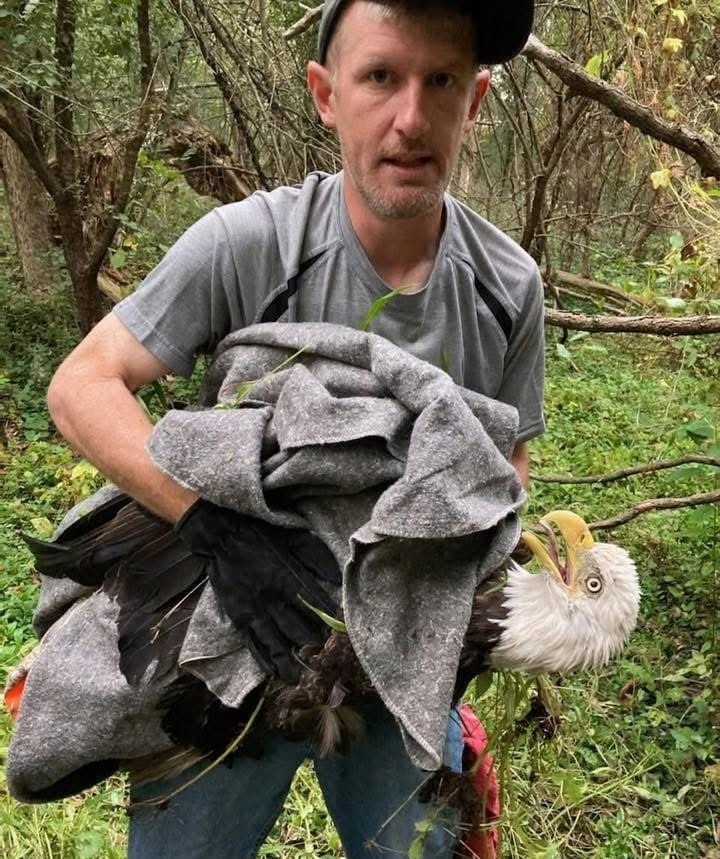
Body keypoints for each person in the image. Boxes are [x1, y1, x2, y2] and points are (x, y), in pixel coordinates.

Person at [46, 1, 543, 856]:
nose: (411, 117)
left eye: (442, 81)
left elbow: (506, 474)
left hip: (395, 670)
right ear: (325, 92)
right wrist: (207, 523)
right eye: (381, 76)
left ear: (478, 98)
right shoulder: (250, 244)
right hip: (236, 642)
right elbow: (81, 387)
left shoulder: (506, 285)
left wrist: (458, 621)